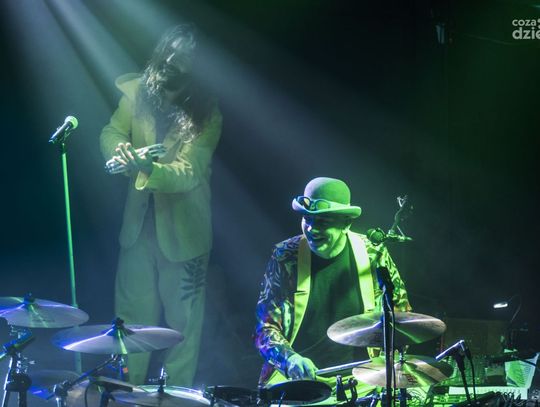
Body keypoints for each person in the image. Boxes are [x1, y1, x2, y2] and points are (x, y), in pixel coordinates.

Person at [100, 23, 222, 386]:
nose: (170, 59)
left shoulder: (207, 115)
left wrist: (148, 168)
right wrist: (121, 152)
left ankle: (174, 395)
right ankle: (128, 392)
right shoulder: (138, 91)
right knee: (129, 317)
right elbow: (111, 131)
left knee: (183, 326)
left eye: (183, 56)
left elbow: (188, 172)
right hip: (137, 228)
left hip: (185, 234)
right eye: (168, 49)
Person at [254, 177, 411, 393]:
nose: (311, 229)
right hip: (296, 380)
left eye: (323, 222)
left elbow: (401, 319)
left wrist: (387, 364)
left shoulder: (374, 254)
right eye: (307, 219)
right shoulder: (285, 257)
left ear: (346, 224)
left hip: (362, 382)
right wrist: (289, 360)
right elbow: (264, 328)